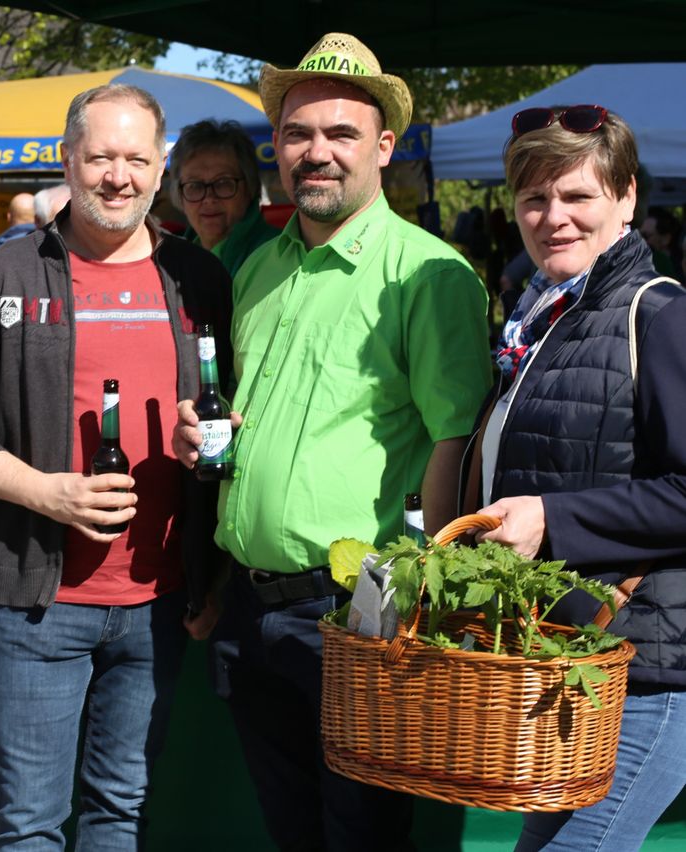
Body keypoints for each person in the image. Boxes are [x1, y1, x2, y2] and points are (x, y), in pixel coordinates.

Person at [173, 32, 492, 851]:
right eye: (297, 133)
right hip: (250, 608)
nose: (316, 152)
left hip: (359, 613)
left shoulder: (429, 273)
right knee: (293, 834)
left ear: (384, 147)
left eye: (341, 133)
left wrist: (425, 606)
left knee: (361, 839)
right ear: (276, 148)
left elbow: (457, 443)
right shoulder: (259, 271)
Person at [0, 83, 232, 850]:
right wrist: (45, 492)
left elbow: (236, 413)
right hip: (37, 602)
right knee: (29, 826)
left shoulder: (199, 279)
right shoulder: (5, 276)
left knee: (119, 814)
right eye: (100, 158)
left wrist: (214, 445)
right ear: (67, 159)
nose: (118, 177)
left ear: (160, 167)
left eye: (136, 159)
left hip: (159, 600)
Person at [473, 104, 686, 851]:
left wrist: (551, 519)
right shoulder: (543, 319)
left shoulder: (659, 315)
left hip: (650, 674)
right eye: (534, 198)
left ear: (626, 198)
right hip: (574, 664)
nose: (552, 216)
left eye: (576, 195)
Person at [169, 119, 279, 277]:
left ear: (249, 187)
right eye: (195, 186)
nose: (209, 198)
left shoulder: (277, 253)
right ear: (179, 194)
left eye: (223, 183)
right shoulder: (168, 258)